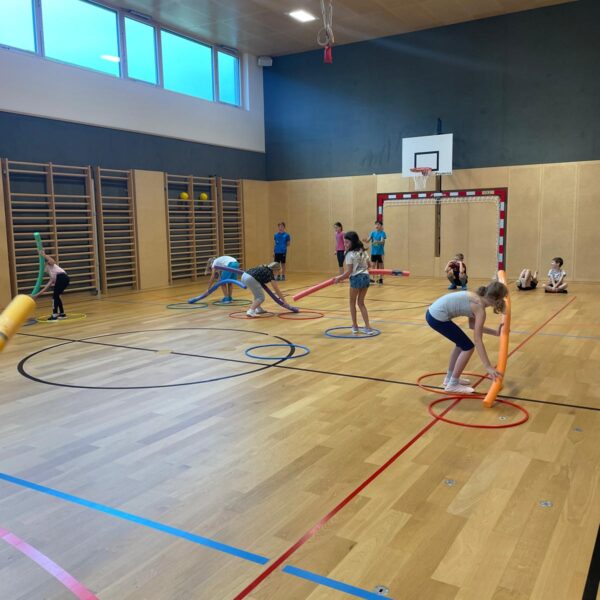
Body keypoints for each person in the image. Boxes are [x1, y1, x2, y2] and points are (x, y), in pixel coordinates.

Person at [425, 281, 507, 393]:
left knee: (461, 345)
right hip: (437, 317)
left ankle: (449, 379)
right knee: (468, 347)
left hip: (433, 314)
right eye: (502, 299)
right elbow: (478, 340)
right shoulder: (479, 307)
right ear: (496, 299)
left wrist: (495, 333)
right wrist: (488, 366)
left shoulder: (477, 299)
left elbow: (472, 325)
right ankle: (453, 384)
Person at [334, 231, 377, 335]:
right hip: (366, 278)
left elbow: (349, 272)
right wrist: (366, 267)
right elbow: (370, 265)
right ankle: (368, 327)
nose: (345, 244)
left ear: (353, 242)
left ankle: (355, 326)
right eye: (344, 242)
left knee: (352, 302)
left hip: (356, 279)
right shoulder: (363, 251)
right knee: (361, 303)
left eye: (347, 242)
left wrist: (339, 278)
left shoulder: (349, 254)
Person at [32, 249, 70, 320]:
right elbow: (45, 288)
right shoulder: (52, 276)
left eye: (43, 268)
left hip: (62, 277)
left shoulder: (50, 265)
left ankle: (54, 315)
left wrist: (43, 255)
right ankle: (62, 314)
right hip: (64, 279)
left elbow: (52, 261)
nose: (43, 270)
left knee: (54, 297)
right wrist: (36, 295)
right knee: (57, 296)